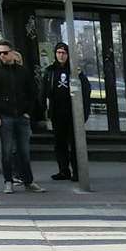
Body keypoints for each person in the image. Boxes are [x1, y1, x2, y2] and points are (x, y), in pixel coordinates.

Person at [0, 40, 46, 194]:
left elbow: (32, 93)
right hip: (5, 115)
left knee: (24, 150)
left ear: (12, 53)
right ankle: (8, 181)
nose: (2, 56)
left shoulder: (23, 71)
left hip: (21, 114)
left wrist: (28, 112)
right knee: (7, 150)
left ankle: (29, 181)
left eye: (5, 53)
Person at [42, 42, 91, 182]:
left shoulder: (74, 71)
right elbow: (44, 91)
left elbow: (86, 89)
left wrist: (81, 76)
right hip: (57, 113)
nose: (61, 55)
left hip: (73, 113)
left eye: (64, 53)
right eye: (59, 53)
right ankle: (63, 170)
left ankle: (77, 171)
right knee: (60, 143)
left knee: (76, 144)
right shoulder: (50, 71)